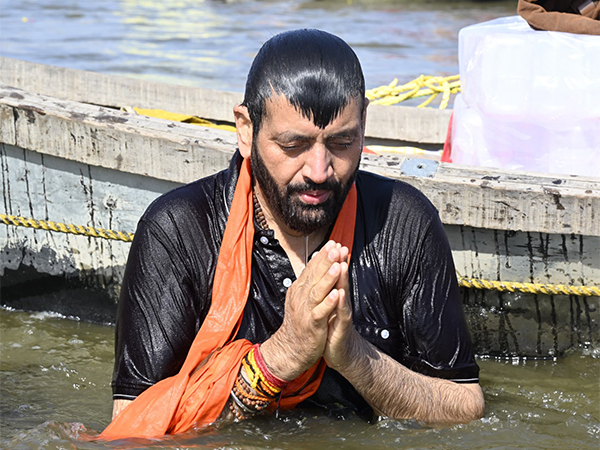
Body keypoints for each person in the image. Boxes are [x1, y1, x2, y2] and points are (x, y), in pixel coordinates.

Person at [104, 29, 484, 438]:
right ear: (246, 129)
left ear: (364, 125)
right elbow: (131, 428)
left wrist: (353, 355)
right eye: (293, 145)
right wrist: (279, 358)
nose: (319, 171)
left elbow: (465, 404)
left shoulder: (404, 222)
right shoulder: (177, 231)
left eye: (341, 142)